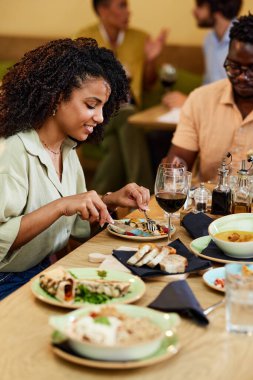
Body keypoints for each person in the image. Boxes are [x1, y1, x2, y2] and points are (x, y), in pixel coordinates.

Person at [0, 37, 150, 300]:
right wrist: (62, 205)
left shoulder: (66, 150)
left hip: (46, 270)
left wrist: (109, 201)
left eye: (103, 107)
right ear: (57, 98)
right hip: (7, 283)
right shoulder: (13, 150)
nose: (101, 117)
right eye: (91, 105)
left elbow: (76, 228)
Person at [75, 0, 168, 193]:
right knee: (127, 117)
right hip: (99, 113)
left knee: (116, 142)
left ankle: (96, 207)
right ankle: (145, 193)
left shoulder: (141, 38)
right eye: (122, 5)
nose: (128, 12)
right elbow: (78, 85)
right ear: (103, 9)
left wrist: (151, 61)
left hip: (129, 111)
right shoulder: (84, 39)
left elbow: (150, 84)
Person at [163, 13, 253, 182]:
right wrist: (175, 170)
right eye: (234, 66)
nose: (242, 77)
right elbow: (179, 160)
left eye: (252, 69)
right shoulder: (201, 100)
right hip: (208, 205)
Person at [162, 0, 243, 109]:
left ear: (216, 7)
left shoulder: (245, 41)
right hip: (210, 114)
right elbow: (209, 86)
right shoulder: (208, 41)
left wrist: (191, 102)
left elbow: (240, 96)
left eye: (199, 6)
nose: (194, 11)